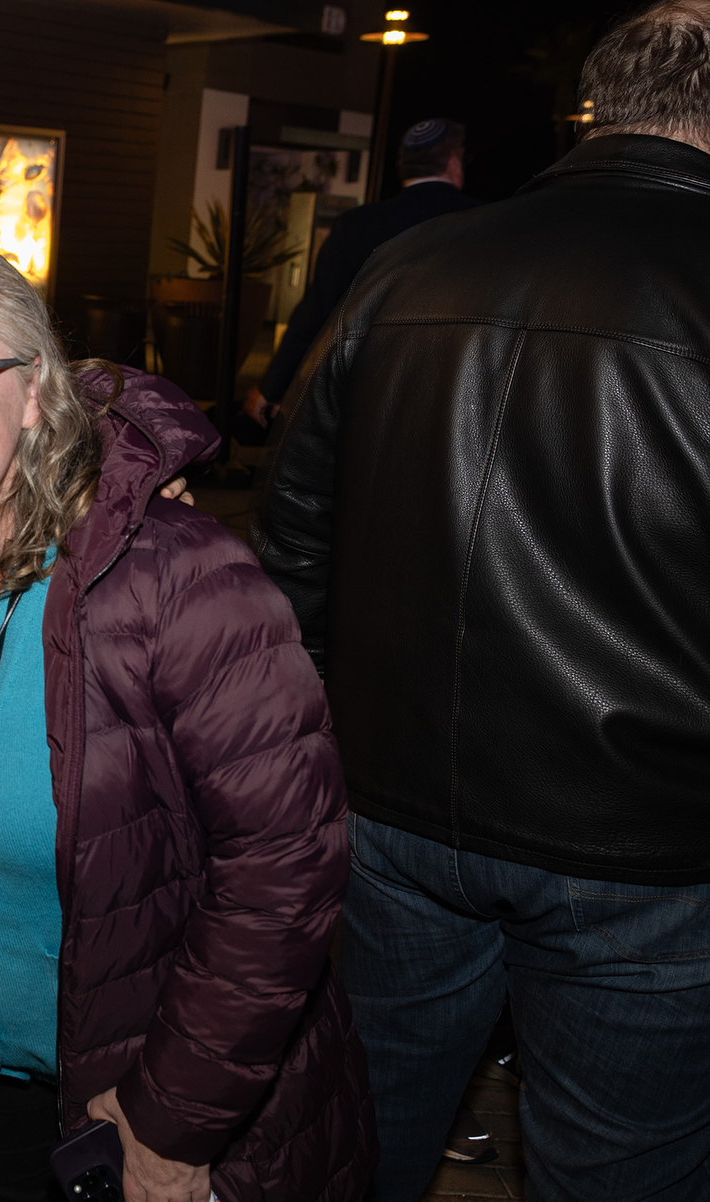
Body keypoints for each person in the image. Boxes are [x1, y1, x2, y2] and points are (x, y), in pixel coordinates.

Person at [253, 4, 710, 1199]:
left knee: (360, 1138)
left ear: (601, 103)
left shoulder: (414, 262)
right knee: (617, 1170)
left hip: (395, 808)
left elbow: (292, 528)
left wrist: (325, 732)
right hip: (647, 843)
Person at [0, 239, 375, 1202]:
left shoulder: (175, 575)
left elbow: (285, 867)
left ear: (34, 392)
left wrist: (171, 1121)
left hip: (143, 1103)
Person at [241, 119, 478, 434]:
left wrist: (272, 388)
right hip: (457, 391)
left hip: (370, 393)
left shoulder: (357, 226)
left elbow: (316, 315)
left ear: (403, 167)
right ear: (453, 162)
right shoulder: (485, 224)